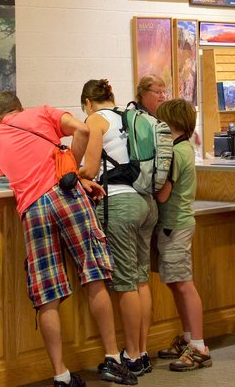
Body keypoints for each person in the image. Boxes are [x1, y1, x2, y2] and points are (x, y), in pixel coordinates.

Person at [0, 92, 137, 387]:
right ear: (21, 107)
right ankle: (112, 361)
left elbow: (14, 172)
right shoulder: (41, 111)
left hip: (32, 208)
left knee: (47, 294)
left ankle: (61, 376)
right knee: (94, 275)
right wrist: (74, 172)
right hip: (67, 195)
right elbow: (83, 130)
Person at [74, 79, 158, 377]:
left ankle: (132, 355)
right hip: (146, 203)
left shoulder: (95, 120)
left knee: (124, 283)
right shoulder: (128, 116)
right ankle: (143, 351)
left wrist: (73, 171)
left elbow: (90, 167)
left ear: (87, 102)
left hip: (119, 205)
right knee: (140, 279)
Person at [152, 98, 212, 371]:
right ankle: (189, 338)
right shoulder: (184, 147)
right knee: (176, 281)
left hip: (175, 223)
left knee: (184, 283)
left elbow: (163, 193)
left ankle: (199, 346)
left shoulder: (176, 152)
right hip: (176, 222)